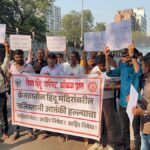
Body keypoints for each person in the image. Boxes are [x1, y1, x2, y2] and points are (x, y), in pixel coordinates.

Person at [106, 44, 142, 150]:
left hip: (134, 105)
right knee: (124, 129)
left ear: (132, 55)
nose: (122, 57)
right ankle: (126, 148)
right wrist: (107, 57)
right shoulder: (122, 66)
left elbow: (138, 73)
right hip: (122, 104)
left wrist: (132, 55)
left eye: (125, 55)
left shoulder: (137, 66)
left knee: (136, 132)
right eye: (122, 55)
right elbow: (109, 73)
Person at [88, 54, 122, 150]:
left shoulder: (111, 70)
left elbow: (118, 84)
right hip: (97, 99)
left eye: (102, 65)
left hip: (108, 99)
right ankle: (98, 142)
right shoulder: (94, 69)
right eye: (99, 65)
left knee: (109, 122)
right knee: (98, 121)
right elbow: (90, 82)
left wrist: (109, 88)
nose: (101, 67)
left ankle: (111, 144)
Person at [9, 49, 36, 141]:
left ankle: (30, 131)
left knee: (28, 112)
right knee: (16, 112)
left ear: (23, 56)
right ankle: (16, 132)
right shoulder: (11, 66)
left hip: (27, 95)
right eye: (17, 57)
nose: (19, 58)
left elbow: (34, 79)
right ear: (14, 57)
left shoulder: (29, 66)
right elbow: (9, 78)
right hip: (16, 95)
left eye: (20, 56)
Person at [132, 52, 150, 150]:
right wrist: (135, 100)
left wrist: (142, 112)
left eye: (142, 65)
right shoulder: (145, 80)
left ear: (148, 68)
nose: (141, 67)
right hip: (144, 127)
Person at [0, 42, 10, 142]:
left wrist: (6, 46)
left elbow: (7, 58)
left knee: (3, 114)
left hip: (1, 95)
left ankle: (5, 132)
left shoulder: (2, 68)